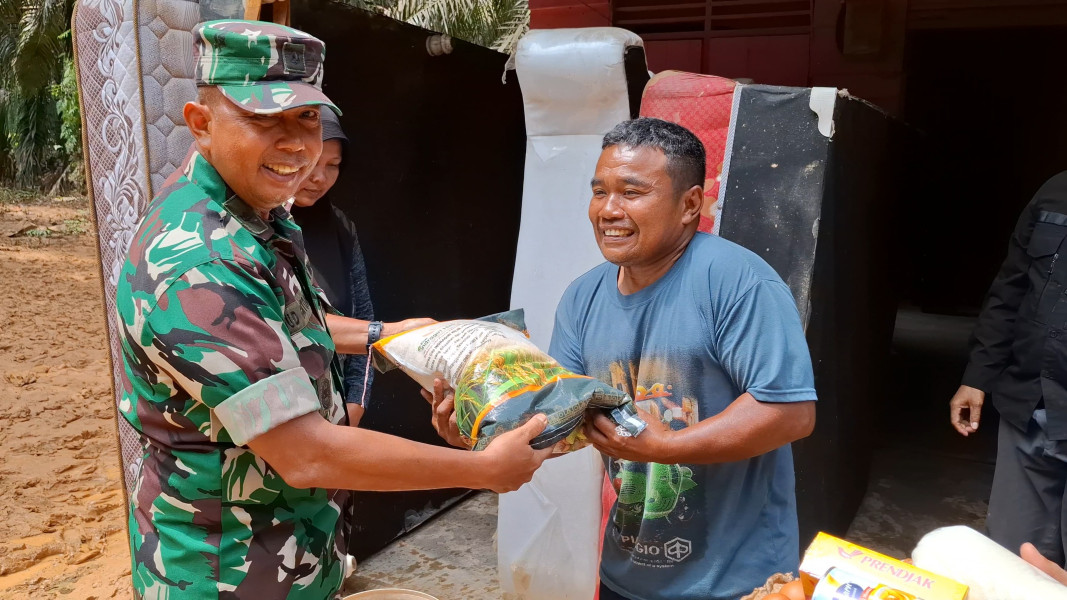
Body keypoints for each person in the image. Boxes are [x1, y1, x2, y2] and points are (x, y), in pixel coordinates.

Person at [115, 20, 552, 599]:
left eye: (307, 119)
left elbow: (288, 325)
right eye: (264, 120)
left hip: (290, 551)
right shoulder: (199, 263)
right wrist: (485, 471)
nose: (296, 145)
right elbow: (307, 453)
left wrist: (387, 335)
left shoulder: (255, 209)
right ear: (201, 124)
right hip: (226, 573)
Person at [428, 117, 818, 600]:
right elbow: (563, 416)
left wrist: (668, 447)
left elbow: (790, 412)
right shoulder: (583, 296)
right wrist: (483, 428)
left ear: (690, 204)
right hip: (626, 571)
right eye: (599, 192)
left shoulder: (738, 282)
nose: (608, 210)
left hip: (735, 581)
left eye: (631, 192)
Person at [950, 171, 1067, 565]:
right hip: (1029, 405)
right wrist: (978, 377)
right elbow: (1010, 288)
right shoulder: (1054, 191)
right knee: (1009, 560)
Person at [290, 110, 375, 426]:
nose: (319, 178)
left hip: (337, 421)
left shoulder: (340, 227)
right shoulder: (255, 230)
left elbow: (363, 319)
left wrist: (355, 408)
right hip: (274, 424)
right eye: (310, 162)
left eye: (333, 166)